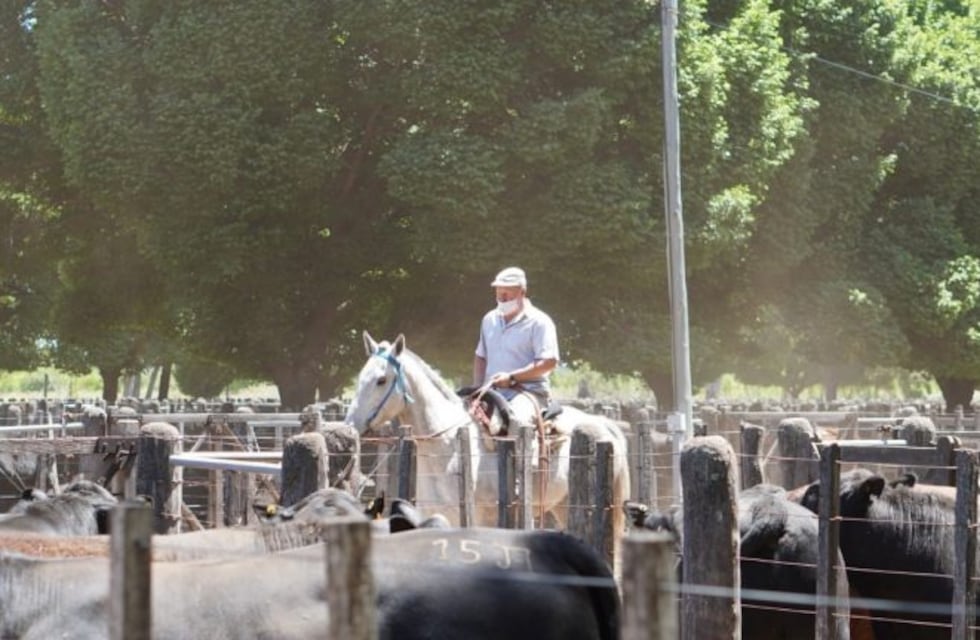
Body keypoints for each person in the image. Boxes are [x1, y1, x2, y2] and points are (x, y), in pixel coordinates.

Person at [473, 266, 559, 427]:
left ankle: (521, 452)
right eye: (499, 293)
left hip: (528, 392)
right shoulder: (489, 320)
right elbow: (481, 356)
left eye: (507, 294)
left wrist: (512, 378)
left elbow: (548, 363)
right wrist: (477, 387)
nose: (502, 298)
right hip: (492, 392)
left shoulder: (539, 322)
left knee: (517, 421)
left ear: (522, 292)